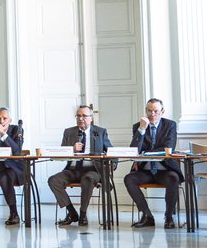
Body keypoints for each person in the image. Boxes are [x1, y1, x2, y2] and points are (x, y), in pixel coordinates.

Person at [47, 105, 111, 227]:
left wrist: (111, 167)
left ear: (91, 118)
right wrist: (72, 149)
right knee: (53, 180)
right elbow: (61, 153)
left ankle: (83, 214)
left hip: (93, 170)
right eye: (78, 116)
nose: (81, 118)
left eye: (84, 116)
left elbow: (110, 151)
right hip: (73, 169)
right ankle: (72, 212)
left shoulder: (100, 132)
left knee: (88, 179)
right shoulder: (69, 132)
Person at [124, 98, 182, 229]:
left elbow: (168, 148)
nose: (152, 114)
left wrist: (147, 153)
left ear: (162, 111)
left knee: (173, 178)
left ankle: (168, 217)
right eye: (149, 111)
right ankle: (147, 215)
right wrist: (142, 130)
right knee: (129, 179)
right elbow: (134, 150)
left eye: (156, 111)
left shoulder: (170, 125)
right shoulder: (138, 126)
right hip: (146, 170)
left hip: (165, 169)